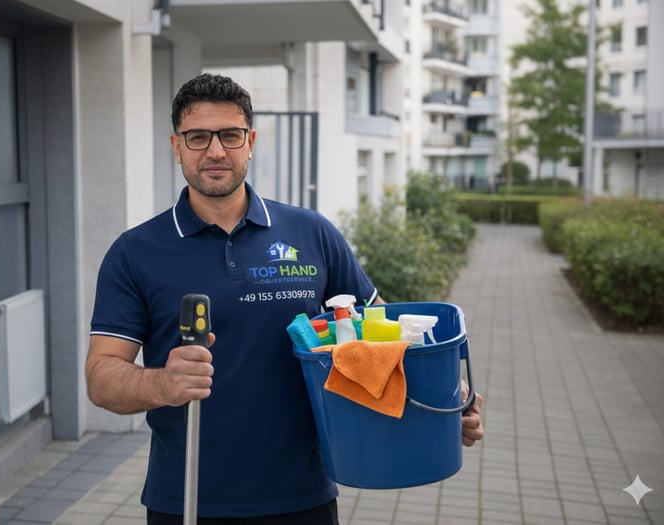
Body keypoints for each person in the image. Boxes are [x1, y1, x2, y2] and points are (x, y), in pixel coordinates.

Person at [85, 73, 484, 525]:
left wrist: (448, 399)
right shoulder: (135, 252)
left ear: (250, 142)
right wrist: (162, 384)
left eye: (230, 135)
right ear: (177, 147)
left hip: (305, 497)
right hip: (187, 500)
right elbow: (101, 378)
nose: (215, 151)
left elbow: (385, 345)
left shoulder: (311, 233)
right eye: (197, 137)